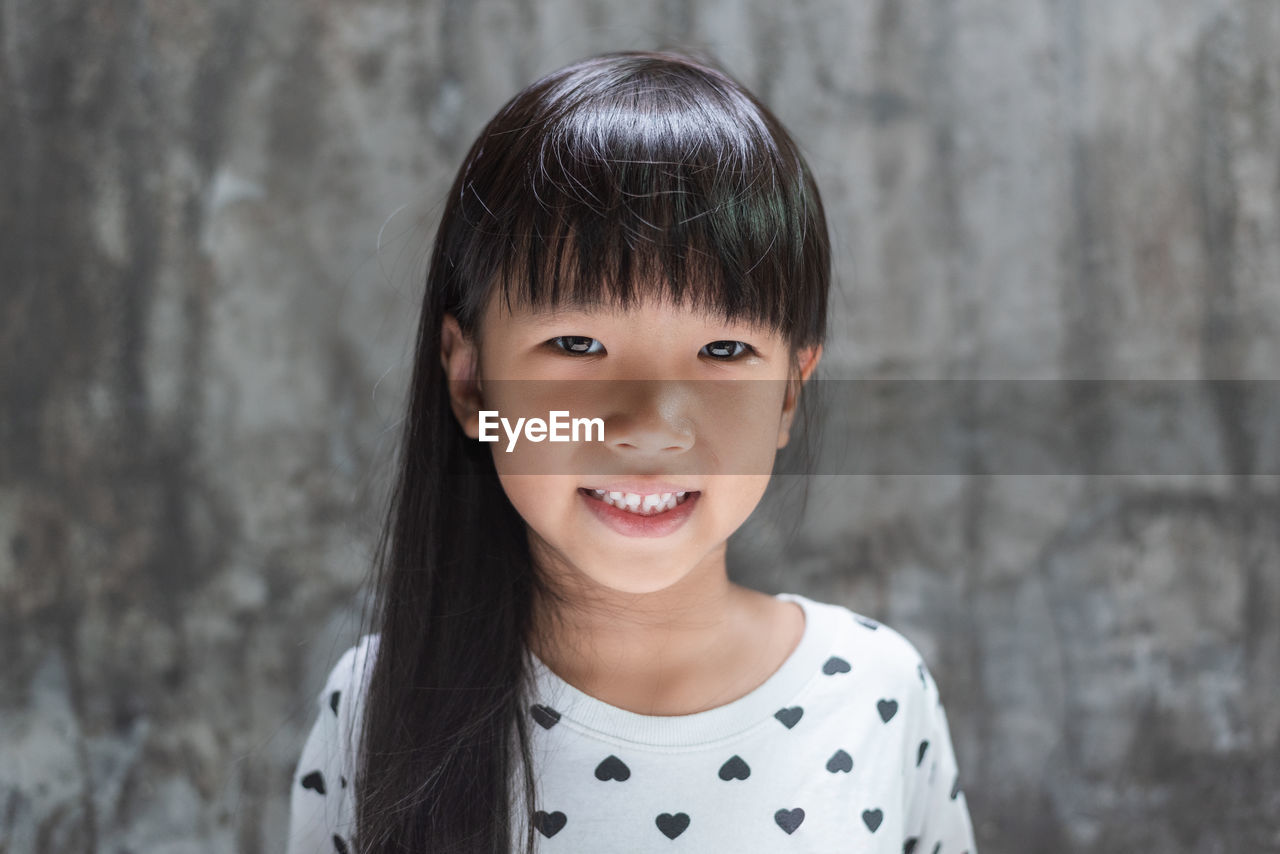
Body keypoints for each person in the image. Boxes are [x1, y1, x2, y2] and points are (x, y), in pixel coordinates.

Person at [286, 48, 978, 854]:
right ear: (472, 381)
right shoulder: (376, 706)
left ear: (790, 392)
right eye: (578, 343)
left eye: (723, 352)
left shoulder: (874, 693)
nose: (650, 425)